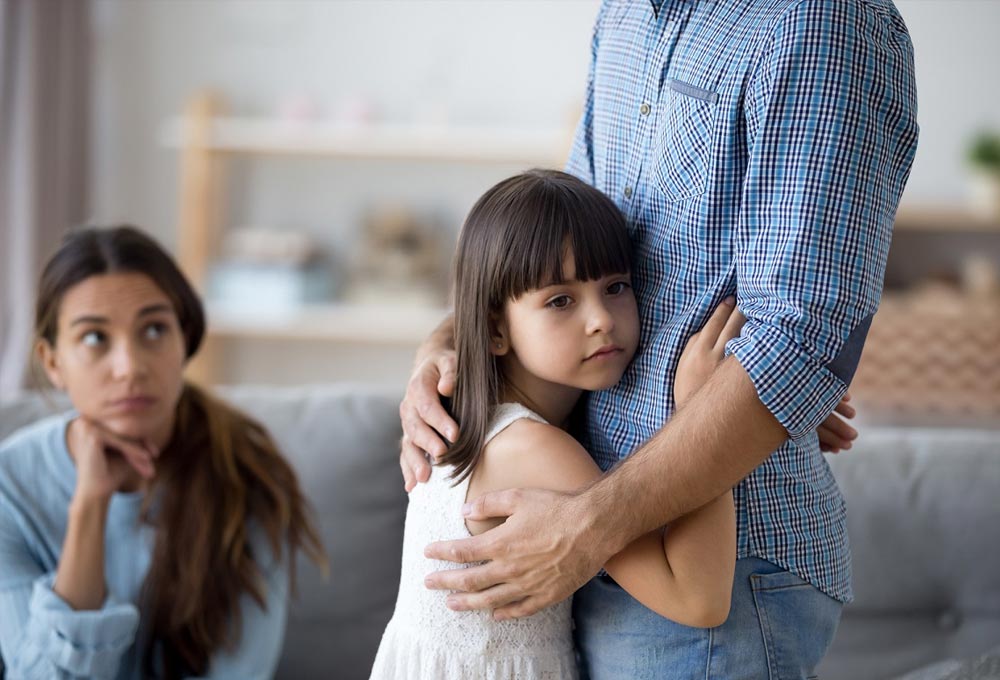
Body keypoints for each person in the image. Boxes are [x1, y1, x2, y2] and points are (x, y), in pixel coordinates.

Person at [400, 1, 917, 677]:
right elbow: (564, 241)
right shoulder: (624, 19)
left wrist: (592, 523)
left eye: (612, 295)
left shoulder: (819, 20)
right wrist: (442, 348)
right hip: (599, 544)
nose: (599, 319)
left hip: (707, 566)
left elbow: (802, 336)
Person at [372, 169, 745, 679]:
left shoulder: (475, 415)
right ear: (495, 330)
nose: (601, 320)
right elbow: (698, 598)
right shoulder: (533, 447)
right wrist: (704, 408)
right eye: (560, 301)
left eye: (616, 287)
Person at [0, 225, 326, 679]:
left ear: (184, 339)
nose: (130, 367)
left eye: (154, 329)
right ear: (53, 362)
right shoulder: (8, 487)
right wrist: (90, 506)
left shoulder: (247, 474)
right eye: (94, 338)